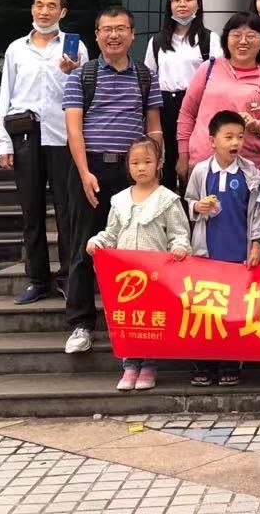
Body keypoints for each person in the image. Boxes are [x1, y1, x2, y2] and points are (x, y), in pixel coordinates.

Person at [61, 5, 163, 355]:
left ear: (132, 35)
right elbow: (74, 130)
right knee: (84, 245)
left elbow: (153, 126)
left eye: (121, 29)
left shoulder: (145, 76)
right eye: (107, 29)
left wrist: (155, 164)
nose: (114, 35)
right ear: (97, 35)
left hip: (133, 173)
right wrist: (84, 173)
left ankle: (132, 321)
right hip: (90, 168)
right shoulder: (82, 75)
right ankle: (80, 324)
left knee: (134, 246)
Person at [0, 0, 87, 305]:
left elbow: (84, 90)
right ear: (32, 8)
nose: (44, 11)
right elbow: (6, 95)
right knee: (31, 211)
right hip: (25, 135)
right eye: (39, 5)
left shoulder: (75, 47)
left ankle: (68, 276)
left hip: (63, 137)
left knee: (67, 211)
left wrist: (72, 71)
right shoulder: (16, 49)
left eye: (51, 6)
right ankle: (37, 279)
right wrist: (2, 143)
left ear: (63, 12)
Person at [85, 138, 189, 391]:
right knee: (128, 320)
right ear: (128, 166)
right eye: (135, 163)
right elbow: (111, 233)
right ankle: (129, 365)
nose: (141, 167)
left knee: (151, 321)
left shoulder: (168, 200)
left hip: (155, 276)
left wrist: (179, 247)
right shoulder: (119, 200)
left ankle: (150, 365)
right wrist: (97, 241)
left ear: (159, 164)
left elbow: (179, 233)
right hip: (125, 277)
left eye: (147, 161)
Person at [183, 109, 260, 387]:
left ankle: (230, 362)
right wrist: (197, 207)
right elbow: (188, 201)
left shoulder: (250, 172)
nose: (235, 142)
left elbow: (257, 212)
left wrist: (256, 244)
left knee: (234, 310)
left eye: (240, 137)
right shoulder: (200, 171)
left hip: (238, 252)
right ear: (212, 141)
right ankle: (203, 363)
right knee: (206, 309)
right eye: (228, 137)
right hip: (208, 252)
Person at [175, 12, 260, 177]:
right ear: (226, 39)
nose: (243, 41)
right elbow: (187, 113)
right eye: (236, 35)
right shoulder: (208, 68)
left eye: (251, 36)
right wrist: (183, 154)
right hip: (202, 165)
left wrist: (257, 125)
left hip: (247, 169)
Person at [144, 0, 222, 195]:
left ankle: (195, 207)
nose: (182, 5)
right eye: (176, 0)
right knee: (167, 160)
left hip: (197, 105)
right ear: (169, 5)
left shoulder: (209, 39)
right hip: (165, 104)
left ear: (198, 4)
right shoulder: (157, 41)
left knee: (194, 160)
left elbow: (218, 75)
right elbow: (150, 78)